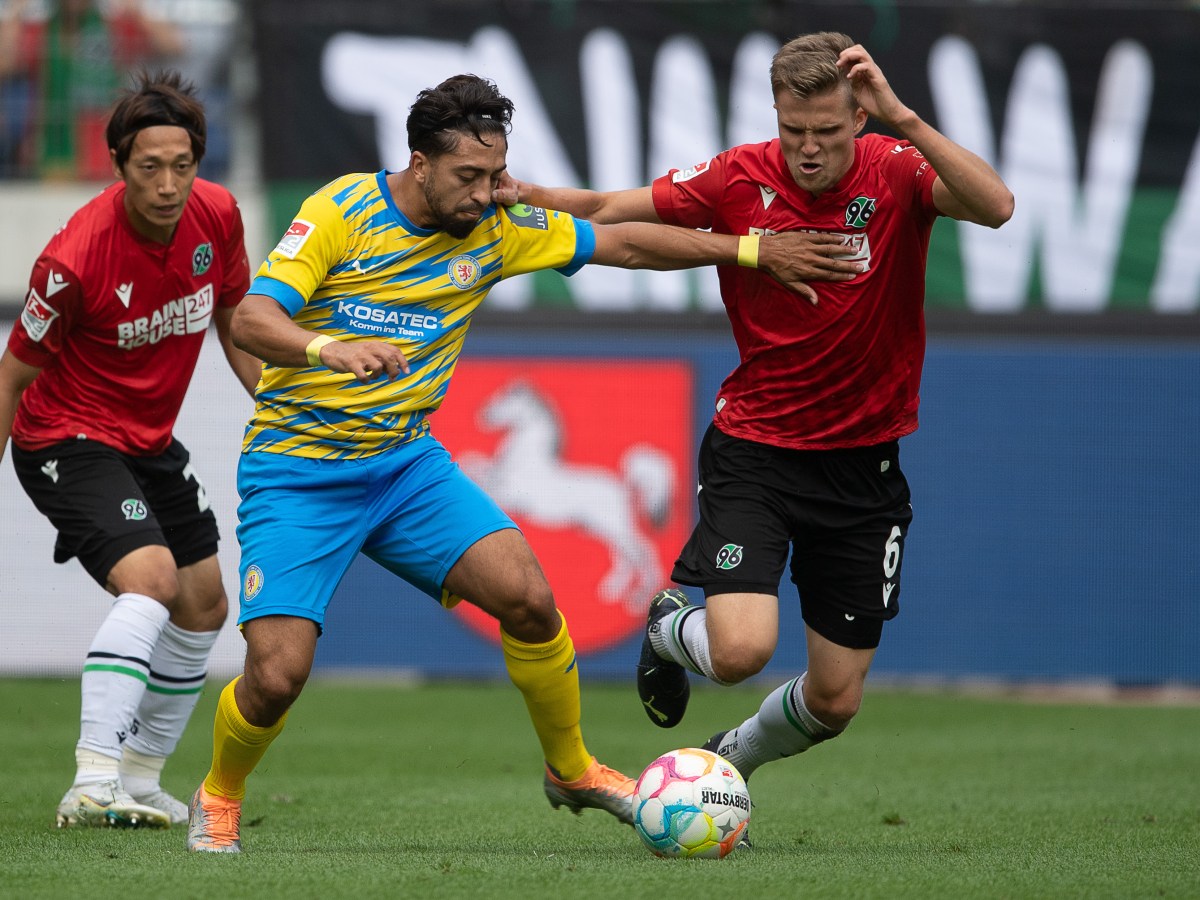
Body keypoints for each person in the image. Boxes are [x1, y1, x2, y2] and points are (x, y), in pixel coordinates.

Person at [183, 72, 854, 854]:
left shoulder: (498, 225)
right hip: (298, 473)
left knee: (530, 599)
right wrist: (330, 347)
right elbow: (255, 318)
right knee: (276, 676)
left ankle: (571, 770)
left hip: (404, 468)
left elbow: (626, 243)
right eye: (469, 177)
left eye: (496, 174)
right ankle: (218, 793)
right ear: (420, 162)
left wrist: (750, 250)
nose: (486, 195)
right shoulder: (342, 210)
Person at [498, 31, 1014, 834]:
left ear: (859, 118)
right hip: (757, 454)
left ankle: (728, 759)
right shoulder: (738, 176)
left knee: (836, 699)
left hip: (863, 472)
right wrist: (525, 192)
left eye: (828, 132)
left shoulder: (897, 168)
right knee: (739, 652)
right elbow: (609, 212)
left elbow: (997, 206)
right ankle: (673, 627)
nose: (808, 150)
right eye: (793, 130)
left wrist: (906, 120)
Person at [0, 69, 260, 829]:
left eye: (183, 166)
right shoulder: (73, 258)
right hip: (62, 435)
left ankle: (141, 779)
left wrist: (274, 404)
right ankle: (92, 777)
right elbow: (14, 376)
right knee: (149, 581)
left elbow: (236, 321)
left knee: (207, 603)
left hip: (148, 438)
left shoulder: (219, 217)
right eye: (150, 167)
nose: (169, 185)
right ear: (118, 163)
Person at [0, 0, 182, 180]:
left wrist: (136, 8)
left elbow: (172, 46)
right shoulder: (41, 31)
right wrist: (15, 11)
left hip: (103, 150)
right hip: (50, 148)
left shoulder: (113, 29)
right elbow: (5, 64)